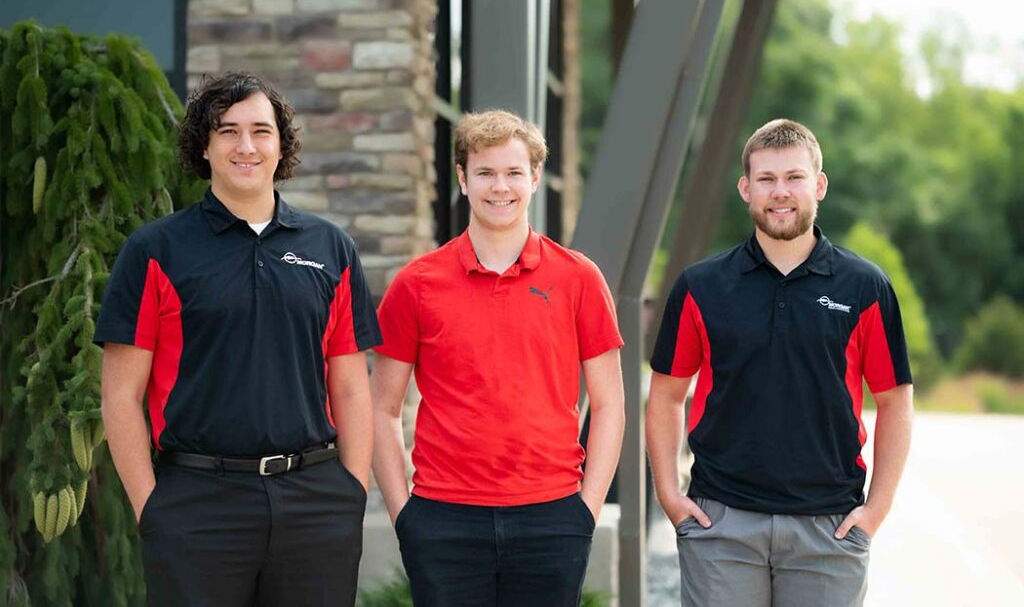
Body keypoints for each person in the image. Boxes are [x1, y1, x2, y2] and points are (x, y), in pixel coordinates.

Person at [96, 71, 380, 607]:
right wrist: (151, 506)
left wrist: (352, 491)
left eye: (260, 131)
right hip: (197, 502)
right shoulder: (156, 249)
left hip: (316, 500)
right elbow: (120, 395)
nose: (245, 146)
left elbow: (350, 385)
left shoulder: (330, 247)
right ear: (203, 147)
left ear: (282, 145)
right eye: (227, 131)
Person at [646, 119, 914, 607]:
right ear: (746, 189)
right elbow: (665, 393)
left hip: (828, 530)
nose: (780, 193)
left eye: (794, 177)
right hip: (721, 524)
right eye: (766, 180)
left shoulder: (865, 287)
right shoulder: (701, 286)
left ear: (819, 185)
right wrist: (670, 495)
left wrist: (875, 510)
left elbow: (895, 400)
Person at [371, 109, 625, 606]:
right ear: (463, 180)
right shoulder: (416, 284)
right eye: (485, 172)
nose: (499, 187)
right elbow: (380, 407)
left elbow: (611, 404)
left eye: (513, 172)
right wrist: (405, 514)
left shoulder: (579, 279)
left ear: (534, 177)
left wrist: (586, 509)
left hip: (552, 515)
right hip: (443, 517)